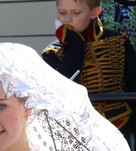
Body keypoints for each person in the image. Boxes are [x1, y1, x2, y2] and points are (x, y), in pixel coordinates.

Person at [43, 0, 136, 134]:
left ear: (94, 12)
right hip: (76, 129)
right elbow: (60, 89)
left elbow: (133, 85)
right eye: (62, 13)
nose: (67, 19)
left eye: (76, 13)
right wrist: (75, 46)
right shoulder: (52, 53)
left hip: (119, 125)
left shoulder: (118, 41)